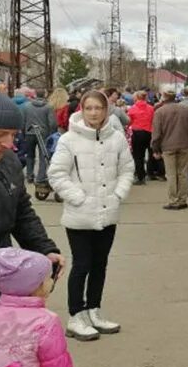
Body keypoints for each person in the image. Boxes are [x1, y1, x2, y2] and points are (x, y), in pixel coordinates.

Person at [48, 90, 134, 341]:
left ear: (106, 110)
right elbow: (56, 174)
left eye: (98, 108)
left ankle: (93, 310)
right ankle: (76, 316)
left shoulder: (116, 138)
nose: (94, 113)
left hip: (108, 213)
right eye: (89, 108)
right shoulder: (69, 140)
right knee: (82, 264)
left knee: (100, 264)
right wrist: (79, 198)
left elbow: (127, 168)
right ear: (81, 110)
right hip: (79, 215)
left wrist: (118, 194)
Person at [0, 91, 64, 310]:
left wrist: (44, 249)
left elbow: (22, 211)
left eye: (13, 134)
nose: (9, 143)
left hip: (0, 287)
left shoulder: (8, 162)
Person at [150, 89, 188, 210]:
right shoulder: (185, 110)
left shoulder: (159, 112)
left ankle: (173, 200)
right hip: (184, 145)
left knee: (171, 174)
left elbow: (156, 133)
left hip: (168, 146)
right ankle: (182, 199)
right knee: (183, 173)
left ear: (164, 98)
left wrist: (155, 149)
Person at [21, 89, 58, 186]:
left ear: (35, 94)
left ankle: (29, 176)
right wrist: (51, 134)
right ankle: (40, 177)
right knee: (43, 155)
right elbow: (52, 123)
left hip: (29, 132)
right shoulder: (48, 107)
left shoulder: (27, 106)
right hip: (43, 134)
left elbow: (23, 121)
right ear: (45, 95)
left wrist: (24, 133)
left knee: (30, 155)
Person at [128, 90, 154, 185]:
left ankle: (140, 176)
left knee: (138, 156)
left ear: (136, 98)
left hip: (137, 133)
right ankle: (150, 173)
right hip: (149, 132)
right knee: (150, 153)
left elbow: (129, 121)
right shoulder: (151, 108)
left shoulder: (132, 109)